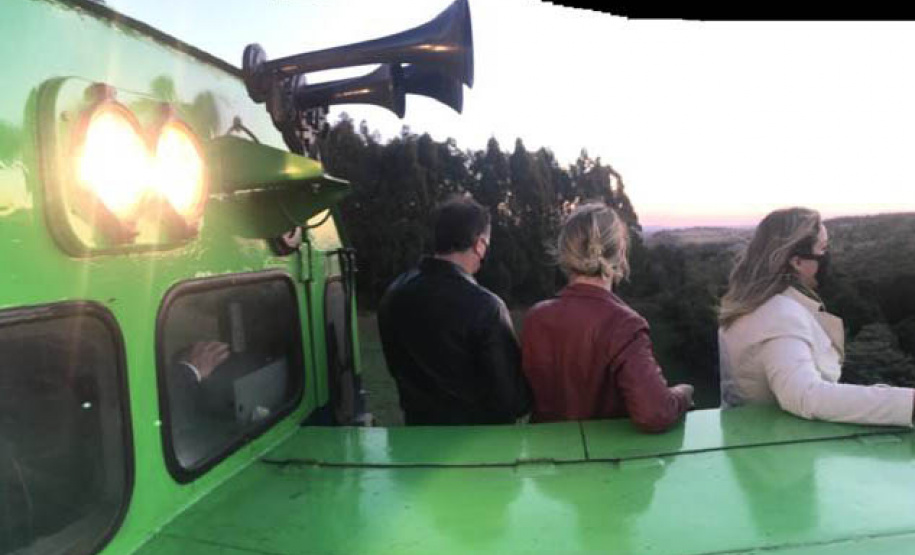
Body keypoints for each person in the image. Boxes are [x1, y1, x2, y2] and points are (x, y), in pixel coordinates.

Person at [718, 207, 915, 426]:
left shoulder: (755, 304)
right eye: (823, 248)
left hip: (755, 439)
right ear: (797, 262)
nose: (828, 256)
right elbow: (806, 395)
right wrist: (909, 405)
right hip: (779, 448)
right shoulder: (778, 314)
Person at [521, 203, 693, 432]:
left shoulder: (535, 318)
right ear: (619, 254)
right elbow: (656, 413)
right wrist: (683, 393)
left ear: (565, 253)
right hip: (605, 463)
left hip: (546, 461)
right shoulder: (624, 325)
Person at [378, 196, 531, 425]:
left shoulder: (394, 293)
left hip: (414, 442)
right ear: (479, 244)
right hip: (477, 449)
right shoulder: (487, 307)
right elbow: (511, 400)